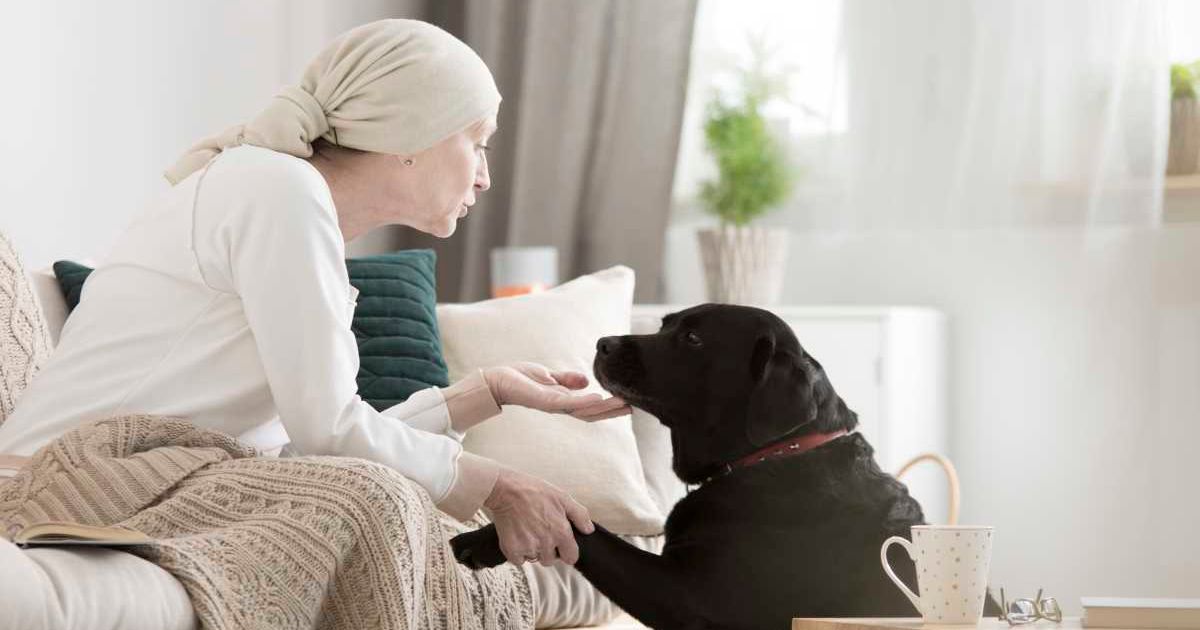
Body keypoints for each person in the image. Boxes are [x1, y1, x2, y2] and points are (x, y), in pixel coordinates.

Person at [0, 18, 630, 571]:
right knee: (369, 505)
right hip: (60, 485)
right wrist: (500, 487)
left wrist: (483, 393)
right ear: (413, 134)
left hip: (123, 476)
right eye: (478, 142)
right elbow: (328, 433)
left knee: (364, 498)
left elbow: (303, 444)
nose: (486, 175)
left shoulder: (286, 199)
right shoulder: (275, 191)